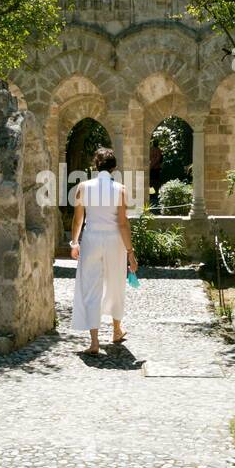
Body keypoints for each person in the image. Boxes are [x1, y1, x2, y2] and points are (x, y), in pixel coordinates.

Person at [70, 147, 138, 355]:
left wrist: (74, 242)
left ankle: (94, 342)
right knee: (116, 282)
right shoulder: (120, 189)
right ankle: (116, 330)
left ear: (95, 166)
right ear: (114, 167)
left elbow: (78, 218)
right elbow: (123, 224)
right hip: (114, 240)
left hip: (91, 239)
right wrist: (130, 252)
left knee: (91, 286)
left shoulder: (83, 187)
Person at [149, 141, 163, 207]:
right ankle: (153, 195)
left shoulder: (157, 150)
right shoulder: (155, 150)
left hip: (155, 169)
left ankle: (154, 195)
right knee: (152, 182)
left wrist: (151, 166)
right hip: (154, 169)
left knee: (155, 182)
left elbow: (158, 159)